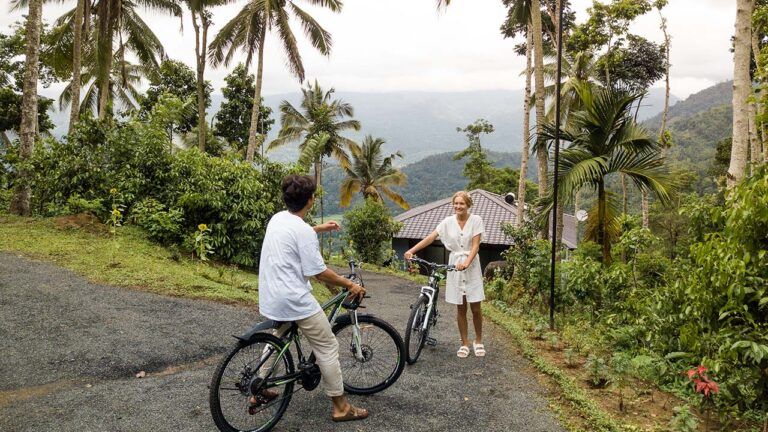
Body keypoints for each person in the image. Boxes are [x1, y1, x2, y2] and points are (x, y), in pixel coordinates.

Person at [257, 174, 369, 422]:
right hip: (294, 300)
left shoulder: (278, 218)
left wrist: (319, 229)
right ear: (310, 200)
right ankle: (341, 407)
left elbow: (295, 233)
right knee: (327, 346)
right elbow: (318, 273)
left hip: (270, 295)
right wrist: (349, 283)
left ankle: (260, 384)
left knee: (278, 337)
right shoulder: (302, 231)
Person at [404, 191, 486, 358]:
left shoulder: (476, 220)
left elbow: (476, 246)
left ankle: (478, 340)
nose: (458, 206)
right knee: (460, 307)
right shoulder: (447, 222)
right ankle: (464, 343)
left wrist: (467, 263)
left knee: (476, 308)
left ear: (468, 205)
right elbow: (430, 237)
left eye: (461, 203)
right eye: (455, 203)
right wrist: (411, 250)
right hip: (455, 265)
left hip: (471, 266)